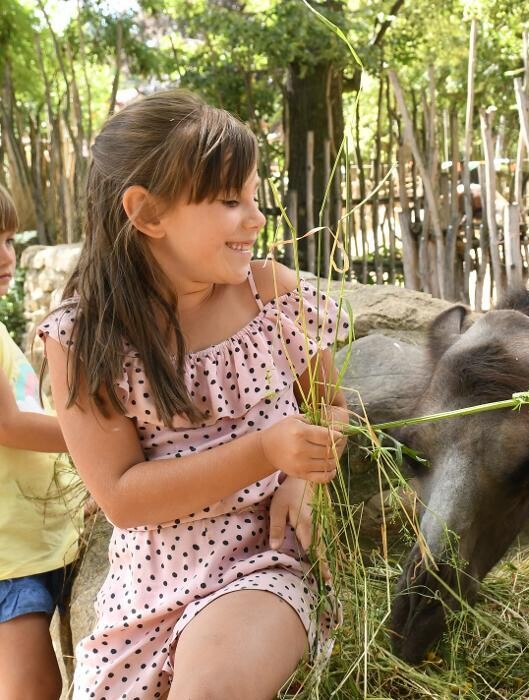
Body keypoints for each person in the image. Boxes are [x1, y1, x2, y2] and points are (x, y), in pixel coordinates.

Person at [39, 90, 351, 699]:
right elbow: (124, 499)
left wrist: (301, 472)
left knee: (210, 691)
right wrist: (265, 449)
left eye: (254, 197)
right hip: (147, 585)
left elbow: (333, 406)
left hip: (263, 559)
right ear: (147, 213)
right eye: (230, 201)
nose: (257, 219)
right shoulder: (83, 337)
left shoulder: (270, 295)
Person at [0, 184, 82, 700]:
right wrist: (98, 442)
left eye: (7, 239)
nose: (5, 256)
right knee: (32, 687)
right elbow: (6, 425)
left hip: (37, 543)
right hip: (11, 558)